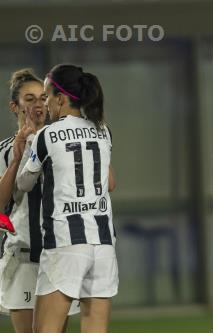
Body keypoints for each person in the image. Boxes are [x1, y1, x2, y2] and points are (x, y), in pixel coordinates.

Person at [17, 64, 118, 333]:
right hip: (103, 244)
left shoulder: (46, 135)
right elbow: (110, 183)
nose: (45, 103)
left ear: (60, 99)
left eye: (47, 96)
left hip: (64, 243)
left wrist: (25, 149)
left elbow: (24, 183)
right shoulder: (103, 130)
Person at [0, 69, 78, 333]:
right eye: (29, 98)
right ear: (15, 106)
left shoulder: (64, 143)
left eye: (43, 97)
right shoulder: (4, 150)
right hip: (23, 258)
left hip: (58, 256)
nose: (38, 105)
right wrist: (16, 160)